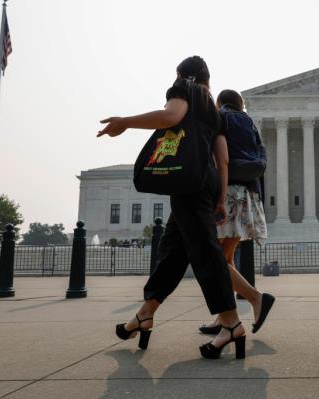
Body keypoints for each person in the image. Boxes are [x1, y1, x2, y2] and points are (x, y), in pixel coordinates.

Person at [97, 56, 247, 360]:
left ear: (184, 76)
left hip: (186, 181)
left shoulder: (184, 89)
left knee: (205, 251)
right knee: (172, 253)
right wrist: (219, 197)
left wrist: (125, 122)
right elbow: (223, 159)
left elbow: (170, 117)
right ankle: (144, 315)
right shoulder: (214, 110)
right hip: (204, 181)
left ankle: (231, 323)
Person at [199, 89, 275, 336]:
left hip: (227, 192)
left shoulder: (220, 117)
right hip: (248, 193)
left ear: (220, 102)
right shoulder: (249, 122)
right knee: (226, 259)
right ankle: (224, 318)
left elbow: (218, 158)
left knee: (215, 260)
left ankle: (256, 298)